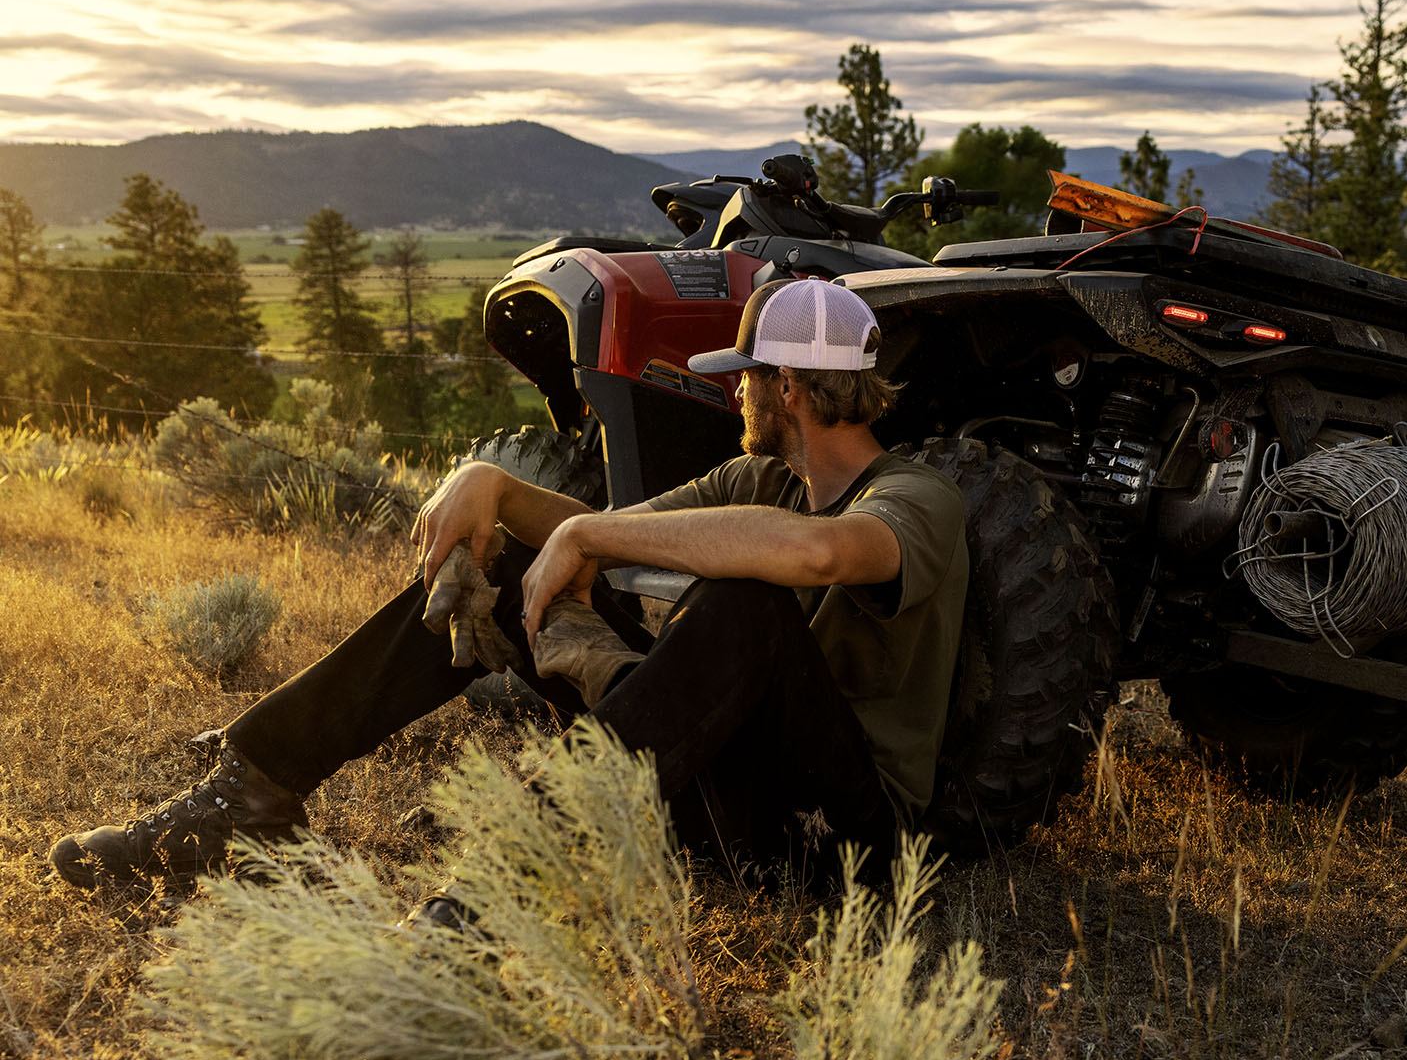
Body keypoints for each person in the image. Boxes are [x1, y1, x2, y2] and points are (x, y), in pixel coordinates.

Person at [49, 278, 969, 892]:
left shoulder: (915, 498)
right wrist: (490, 487)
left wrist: (585, 532)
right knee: (496, 560)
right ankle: (248, 793)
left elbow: (818, 557)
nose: (737, 397)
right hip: (726, 795)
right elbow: (613, 535)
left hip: (842, 843)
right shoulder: (761, 481)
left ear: (792, 388)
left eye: (747, 382)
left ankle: (496, 891)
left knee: (747, 606)